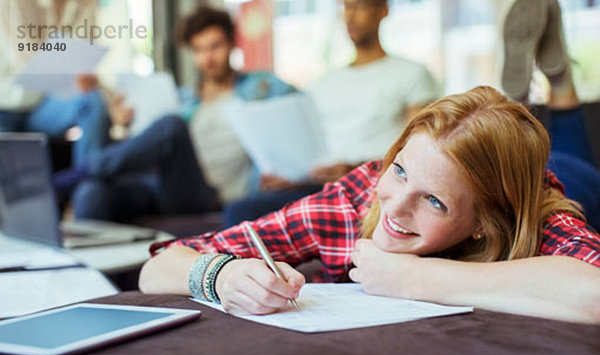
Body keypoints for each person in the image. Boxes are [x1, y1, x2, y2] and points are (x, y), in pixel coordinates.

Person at [138, 85, 600, 324]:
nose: (395, 208)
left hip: (565, 181)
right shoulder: (356, 197)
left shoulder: (537, 216)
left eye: (434, 201)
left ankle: (554, 93)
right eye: (398, 169)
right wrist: (222, 275)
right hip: (499, 169)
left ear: (483, 222)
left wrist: (416, 277)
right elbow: (155, 269)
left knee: (575, 162)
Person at [222, 0, 438, 227]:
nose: (350, 16)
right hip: (317, 186)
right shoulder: (323, 83)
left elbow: (420, 153)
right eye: (345, 7)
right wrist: (291, 177)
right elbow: (309, 147)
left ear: (382, 10)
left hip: (369, 184)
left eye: (359, 7)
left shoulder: (410, 74)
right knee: (242, 211)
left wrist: (354, 170)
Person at [68, 6, 295, 221]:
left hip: (207, 196)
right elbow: (150, 146)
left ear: (232, 44)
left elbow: (298, 109)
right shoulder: (184, 99)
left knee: (172, 125)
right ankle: (85, 177)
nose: (207, 58)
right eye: (199, 49)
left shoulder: (259, 88)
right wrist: (123, 123)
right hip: (165, 183)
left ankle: (81, 171)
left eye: (215, 46)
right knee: (91, 192)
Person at [501, 0, 599, 229]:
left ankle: (553, 82)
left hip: (558, 187)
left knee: (569, 173)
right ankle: (523, 99)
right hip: (541, 181)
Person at [0, 0, 111, 166]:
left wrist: (107, 96)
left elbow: (82, 62)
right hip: (5, 106)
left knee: (92, 100)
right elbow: (25, 54)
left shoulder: (83, 4)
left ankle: (88, 182)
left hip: (41, 105)